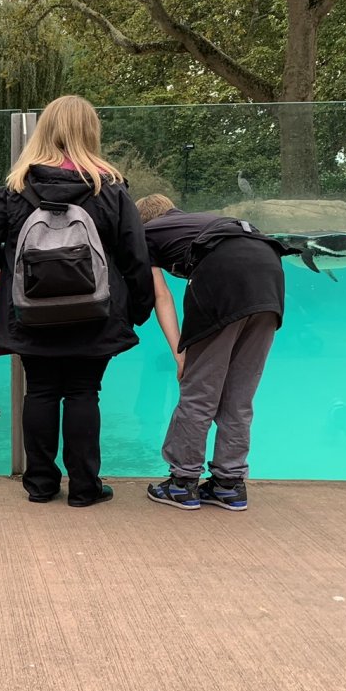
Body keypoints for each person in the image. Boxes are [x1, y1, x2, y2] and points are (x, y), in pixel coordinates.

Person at [0, 94, 154, 508]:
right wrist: (137, 310)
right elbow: (136, 256)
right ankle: (85, 488)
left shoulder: (17, 187)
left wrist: (0, 262)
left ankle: (41, 484)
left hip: (31, 314)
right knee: (84, 391)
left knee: (42, 391)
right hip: (96, 313)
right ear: (90, 131)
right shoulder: (110, 187)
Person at [138, 192, 295, 512]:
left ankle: (182, 483)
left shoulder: (146, 232)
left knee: (199, 391)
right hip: (269, 282)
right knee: (239, 393)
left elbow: (161, 296)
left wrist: (180, 354)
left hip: (225, 279)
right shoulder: (202, 221)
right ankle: (229, 484)